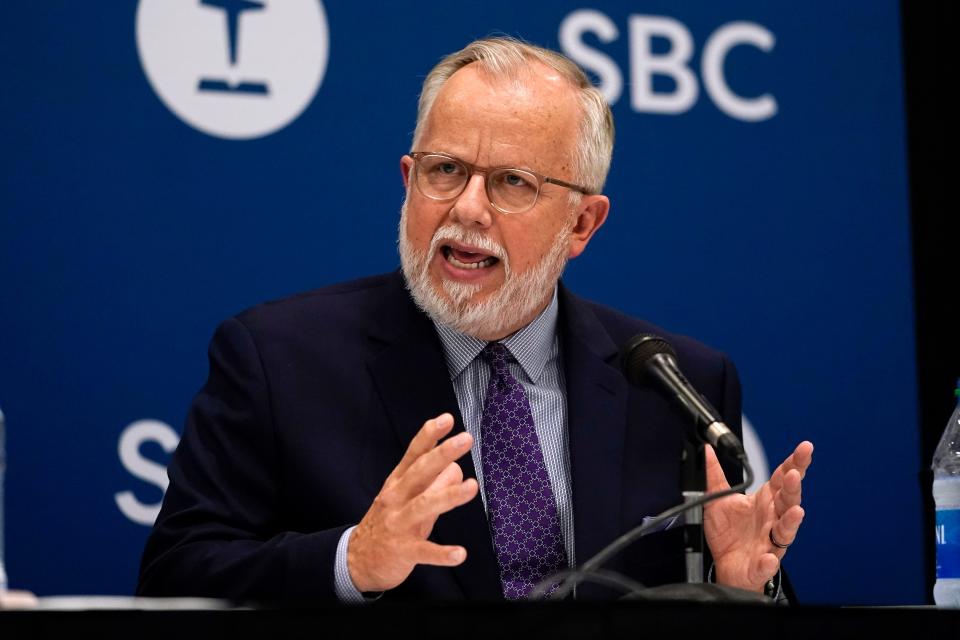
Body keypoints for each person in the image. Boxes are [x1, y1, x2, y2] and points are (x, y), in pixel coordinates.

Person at [137, 37, 813, 604]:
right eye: (446, 170)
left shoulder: (675, 384)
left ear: (582, 222)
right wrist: (353, 561)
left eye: (512, 182)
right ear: (408, 180)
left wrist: (742, 590)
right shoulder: (277, 359)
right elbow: (173, 579)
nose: (466, 209)